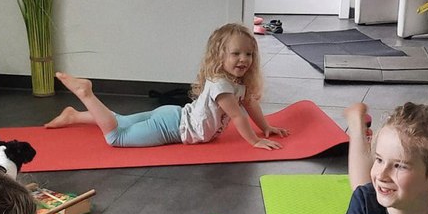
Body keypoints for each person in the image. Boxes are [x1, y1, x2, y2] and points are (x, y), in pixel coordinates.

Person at [44, 22, 290, 150]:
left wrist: (266, 127)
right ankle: (86, 94)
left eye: (248, 54)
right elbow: (238, 116)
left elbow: (250, 104)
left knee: (123, 121)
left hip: (175, 115)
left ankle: (74, 116)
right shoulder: (222, 86)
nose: (243, 59)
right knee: (116, 137)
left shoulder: (236, 83)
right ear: (220, 56)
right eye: (236, 53)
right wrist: (254, 141)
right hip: (172, 128)